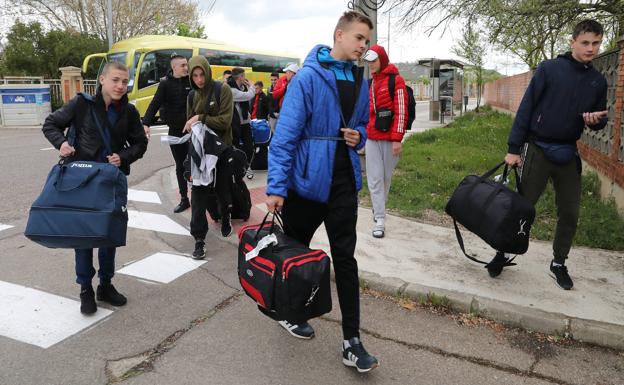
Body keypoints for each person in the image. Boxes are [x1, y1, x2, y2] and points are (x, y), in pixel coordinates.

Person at [265, 11, 379, 373]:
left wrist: (358, 135)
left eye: (367, 41)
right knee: (294, 252)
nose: (364, 46)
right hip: (307, 183)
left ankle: (352, 341)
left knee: (345, 260)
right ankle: (287, 311)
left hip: (344, 181)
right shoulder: (309, 77)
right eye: (359, 38)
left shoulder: (362, 79)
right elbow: (285, 136)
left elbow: (362, 123)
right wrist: (277, 187)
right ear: (340, 35)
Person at [488, 19, 608, 290]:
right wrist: (513, 149)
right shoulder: (549, 69)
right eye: (585, 42)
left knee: (570, 212)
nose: (591, 48)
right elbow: (527, 108)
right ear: (573, 42)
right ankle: (504, 252)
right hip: (538, 148)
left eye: (596, 43)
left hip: (568, 152)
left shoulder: (597, 81)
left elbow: (600, 119)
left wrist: (595, 121)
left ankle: (558, 263)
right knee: (523, 206)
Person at [42, 62, 148, 314]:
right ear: (102, 79)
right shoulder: (82, 104)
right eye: (115, 80)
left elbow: (140, 144)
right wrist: (61, 144)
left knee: (109, 234)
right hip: (82, 180)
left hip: (110, 181)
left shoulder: (130, 112)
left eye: (124, 81)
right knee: (84, 236)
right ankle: (85, 288)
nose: (120, 85)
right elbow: (50, 124)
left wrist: (123, 157)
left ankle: (106, 284)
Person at [184, 56, 235, 257]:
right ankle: (199, 239)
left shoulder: (222, 90)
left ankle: (226, 217)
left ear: (207, 71)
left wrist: (199, 118)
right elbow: (189, 123)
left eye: (201, 74)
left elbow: (225, 121)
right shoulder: (191, 96)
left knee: (223, 188)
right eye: (194, 75)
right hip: (201, 152)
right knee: (197, 194)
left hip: (222, 149)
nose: (199, 79)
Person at [362, 44, 408, 238]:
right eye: (368, 61)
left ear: (382, 59)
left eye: (374, 60)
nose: (371, 65)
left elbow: (401, 111)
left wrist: (397, 138)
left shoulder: (396, 80)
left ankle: (378, 209)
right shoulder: (371, 83)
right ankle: (380, 219)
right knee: (374, 180)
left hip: (390, 140)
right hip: (372, 138)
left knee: (385, 179)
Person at [142, 54, 192, 213]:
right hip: (175, 131)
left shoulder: (192, 82)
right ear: (174, 67)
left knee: (197, 165)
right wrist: (146, 123)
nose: (186, 67)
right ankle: (184, 199)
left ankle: (202, 197)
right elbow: (155, 103)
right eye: (183, 65)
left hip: (194, 131)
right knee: (180, 165)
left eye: (186, 64)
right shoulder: (165, 84)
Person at [227, 67, 256, 163]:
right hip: (235, 123)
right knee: (236, 147)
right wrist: (252, 86)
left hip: (245, 121)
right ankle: (237, 168)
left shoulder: (242, 87)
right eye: (244, 76)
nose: (245, 78)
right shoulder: (231, 90)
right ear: (240, 77)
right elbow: (248, 95)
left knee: (249, 146)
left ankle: (246, 166)